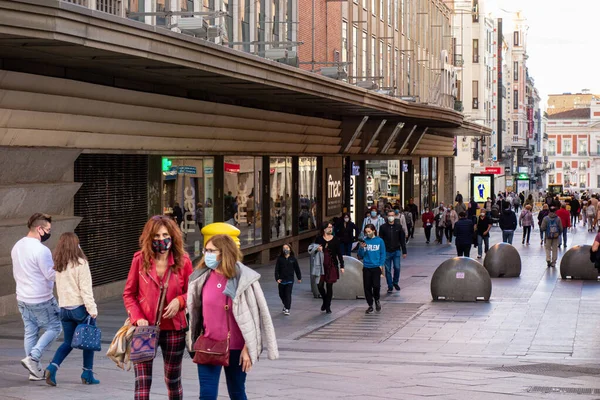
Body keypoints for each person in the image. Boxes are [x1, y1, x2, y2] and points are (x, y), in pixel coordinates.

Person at [187, 234, 278, 400]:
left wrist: (248, 349)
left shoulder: (243, 279)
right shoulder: (202, 278)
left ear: (224, 252)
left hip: (236, 348)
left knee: (237, 392)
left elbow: (255, 316)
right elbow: (195, 313)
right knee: (206, 395)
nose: (207, 254)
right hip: (209, 344)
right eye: (205, 250)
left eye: (211, 251)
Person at [123, 215, 194, 400]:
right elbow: (129, 294)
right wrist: (137, 317)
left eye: (164, 235)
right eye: (155, 236)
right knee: (142, 382)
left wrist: (180, 301)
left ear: (172, 236)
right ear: (148, 237)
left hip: (174, 329)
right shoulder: (139, 260)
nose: (161, 240)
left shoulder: (183, 261)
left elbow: (193, 293)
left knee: (173, 380)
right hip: (144, 329)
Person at [11, 213, 61, 381]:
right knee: (55, 327)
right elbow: (50, 275)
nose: (48, 233)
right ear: (39, 229)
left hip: (22, 297)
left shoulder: (17, 246)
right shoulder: (41, 250)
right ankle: (33, 357)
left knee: (30, 331)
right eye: (47, 229)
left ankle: (34, 371)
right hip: (41, 298)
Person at [44, 233, 99, 386]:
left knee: (68, 342)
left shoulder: (59, 264)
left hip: (64, 309)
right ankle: (87, 373)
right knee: (89, 340)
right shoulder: (81, 263)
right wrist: (92, 309)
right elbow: (85, 289)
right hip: (79, 308)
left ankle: (52, 367)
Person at [309, 222, 345, 314]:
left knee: (329, 285)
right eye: (329, 227)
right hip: (320, 265)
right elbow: (313, 250)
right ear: (324, 229)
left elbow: (339, 253)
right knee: (320, 285)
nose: (330, 229)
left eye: (331, 227)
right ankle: (325, 300)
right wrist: (318, 249)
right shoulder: (319, 239)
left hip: (331, 264)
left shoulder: (335, 239)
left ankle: (328, 306)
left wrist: (342, 265)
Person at [357, 224, 386, 314]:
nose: (368, 233)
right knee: (367, 287)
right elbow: (360, 255)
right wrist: (362, 248)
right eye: (366, 232)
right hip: (367, 267)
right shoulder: (364, 241)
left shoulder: (379, 241)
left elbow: (383, 253)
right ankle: (370, 304)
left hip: (376, 267)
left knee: (376, 286)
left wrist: (381, 264)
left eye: (369, 231)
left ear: (374, 231)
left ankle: (377, 299)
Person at [379, 211, 407, 293]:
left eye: (392, 215)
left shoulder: (398, 227)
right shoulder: (383, 227)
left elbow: (402, 240)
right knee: (387, 270)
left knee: (397, 267)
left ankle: (395, 282)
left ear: (394, 216)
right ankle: (390, 285)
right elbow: (381, 240)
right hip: (387, 251)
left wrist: (404, 251)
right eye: (389, 215)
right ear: (387, 217)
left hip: (396, 250)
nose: (391, 217)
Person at [274, 244, 301, 316]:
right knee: (281, 294)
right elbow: (276, 269)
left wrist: (299, 278)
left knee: (288, 294)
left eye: (287, 248)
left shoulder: (293, 259)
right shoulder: (280, 259)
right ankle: (285, 304)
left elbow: (297, 269)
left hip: (290, 280)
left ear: (290, 249)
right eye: (284, 248)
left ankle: (287, 308)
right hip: (282, 280)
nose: (285, 249)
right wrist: (277, 278)